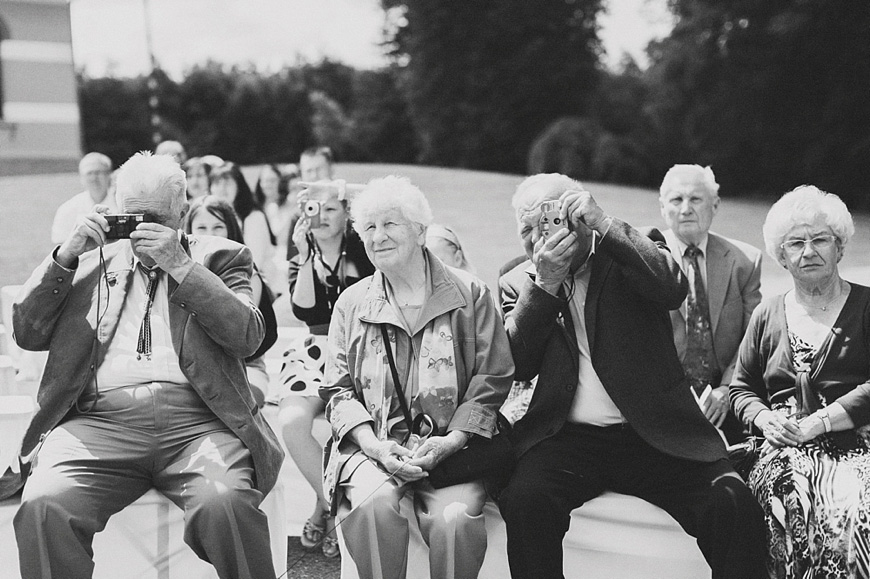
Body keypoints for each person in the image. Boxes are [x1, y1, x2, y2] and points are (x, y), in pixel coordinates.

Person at [5, 151, 283, 579]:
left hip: (200, 422)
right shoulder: (88, 261)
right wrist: (66, 254)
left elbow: (248, 336)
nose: (141, 231)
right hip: (98, 422)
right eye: (131, 218)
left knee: (226, 503)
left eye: (155, 219)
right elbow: (26, 332)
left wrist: (181, 266)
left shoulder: (222, 256)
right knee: (45, 505)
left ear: (182, 213)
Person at [498, 173, 766, 579]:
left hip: (653, 434)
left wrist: (603, 223)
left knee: (733, 504)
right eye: (526, 229)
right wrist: (547, 283)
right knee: (525, 500)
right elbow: (519, 364)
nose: (540, 238)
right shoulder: (518, 281)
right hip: (570, 440)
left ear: (578, 217)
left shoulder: (626, 250)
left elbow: (672, 288)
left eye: (551, 220)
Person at [321, 175, 514, 579]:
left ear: (420, 231)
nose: (378, 236)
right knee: (371, 505)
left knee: (455, 519)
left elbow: (492, 378)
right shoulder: (351, 303)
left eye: (390, 224)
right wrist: (374, 447)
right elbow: (338, 390)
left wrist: (452, 440)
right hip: (374, 449)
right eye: (369, 227)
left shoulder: (470, 295)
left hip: (455, 451)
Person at [730, 185, 870, 578]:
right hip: (783, 445)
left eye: (820, 239)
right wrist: (765, 419)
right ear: (782, 257)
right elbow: (741, 388)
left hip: (857, 441)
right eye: (796, 243)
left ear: (839, 247)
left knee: (857, 503)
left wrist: (821, 422)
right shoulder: (766, 314)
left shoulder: (866, 306)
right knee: (787, 494)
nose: (809, 251)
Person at [273, 179, 374, 558]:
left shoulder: (363, 248)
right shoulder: (300, 252)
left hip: (361, 353)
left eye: (332, 208)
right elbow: (305, 310)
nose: (323, 216)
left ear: (347, 212)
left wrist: (342, 189)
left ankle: (323, 506)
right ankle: (335, 508)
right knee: (291, 423)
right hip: (313, 352)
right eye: (315, 208)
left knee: (344, 425)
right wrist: (305, 255)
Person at [659, 164, 762, 443]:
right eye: (676, 199)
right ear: (662, 207)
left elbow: (752, 339)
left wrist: (728, 389)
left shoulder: (745, 261)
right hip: (661, 401)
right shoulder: (646, 258)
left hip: (724, 399)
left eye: (695, 199)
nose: (686, 209)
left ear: (715, 205)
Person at [184, 195, 278, 407]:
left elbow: (241, 335)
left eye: (218, 227)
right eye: (201, 227)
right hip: (194, 368)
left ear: (231, 230)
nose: (210, 234)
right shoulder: (178, 273)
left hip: (245, 368)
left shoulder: (248, 274)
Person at [210, 162, 277, 284]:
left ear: (239, 186)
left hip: (258, 282)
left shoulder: (254, 217)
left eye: (227, 183)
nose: (222, 188)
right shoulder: (210, 219)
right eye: (217, 183)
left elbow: (254, 262)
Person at [51, 152, 115, 244]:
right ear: (81, 178)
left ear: (109, 175)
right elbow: (60, 243)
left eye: (98, 173)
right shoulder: (68, 209)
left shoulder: (121, 204)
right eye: (89, 173)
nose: (94, 178)